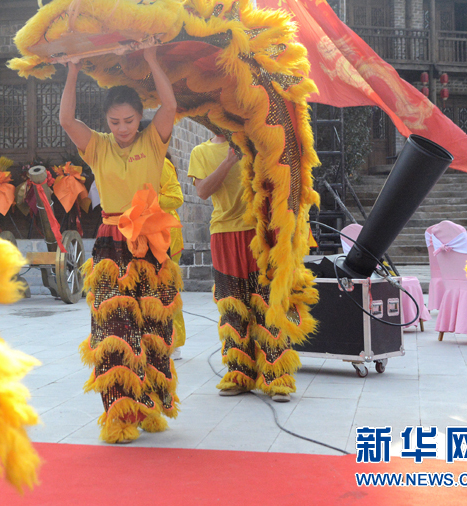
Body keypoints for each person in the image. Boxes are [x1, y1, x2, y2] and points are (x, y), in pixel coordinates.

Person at [60, 46, 180, 444]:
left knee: (152, 329)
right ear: (106, 122)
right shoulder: (97, 146)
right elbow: (65, 119)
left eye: (129, 120)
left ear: (140, 118)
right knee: (113, 330)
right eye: (115, 122)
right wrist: (73, 72)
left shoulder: (154, 139)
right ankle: (119, 415)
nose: (123, 128)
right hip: (112, 244)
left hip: (148, 242)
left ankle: (147, 408)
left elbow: (171, 103)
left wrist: (150, 58)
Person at [188, 134, 295, 402]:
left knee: (268, 304)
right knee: (232, 305)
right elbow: (202, 192)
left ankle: (277, 375)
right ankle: (240, 372)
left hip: (260, 232)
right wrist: (228, 162)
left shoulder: (258, 144)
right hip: (224, 233)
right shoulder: (201, 151)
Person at [159, 154, 185, 360]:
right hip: (144, 233)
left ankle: (174, 342)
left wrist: (146, 200)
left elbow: (176, 198)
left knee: (168, 289)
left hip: (166, 235)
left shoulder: (162, 164)